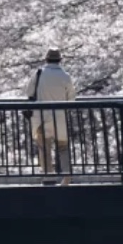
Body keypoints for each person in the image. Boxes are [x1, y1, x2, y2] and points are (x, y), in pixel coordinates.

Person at [25, 48, 76, 185]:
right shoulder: (66, 76)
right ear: (60, 60)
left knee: (44, 147)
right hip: (60, 118)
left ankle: (48, 176)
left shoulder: (39, 73)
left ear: (46, 59)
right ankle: (67, 176)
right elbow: (71, 99)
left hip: (42, 117)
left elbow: (29, 92)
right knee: (63, 148)